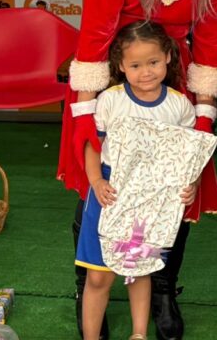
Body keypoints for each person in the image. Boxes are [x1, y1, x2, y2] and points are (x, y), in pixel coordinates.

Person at [58, 0, 217, 340]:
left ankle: (161, 289)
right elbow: (96, 31)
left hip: (174, 78)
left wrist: (202, 118)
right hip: (114, 72)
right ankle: (88, 284)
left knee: (171, 193)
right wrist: (85, 115)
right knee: (101, 182)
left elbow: (212, 38)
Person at [77, 21, 198, 340]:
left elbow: (187, 155)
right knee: (98, 276)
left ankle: (139, 334)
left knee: (139, 269)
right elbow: (93, 145)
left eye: (153, 62)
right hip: (110, 193)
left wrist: (191, 185)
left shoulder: (179, 105)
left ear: (168, 57)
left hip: (150, 199)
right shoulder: (110, 100)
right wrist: (96, 181)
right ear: (120, 65)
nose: (146, 72)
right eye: (135, 65)